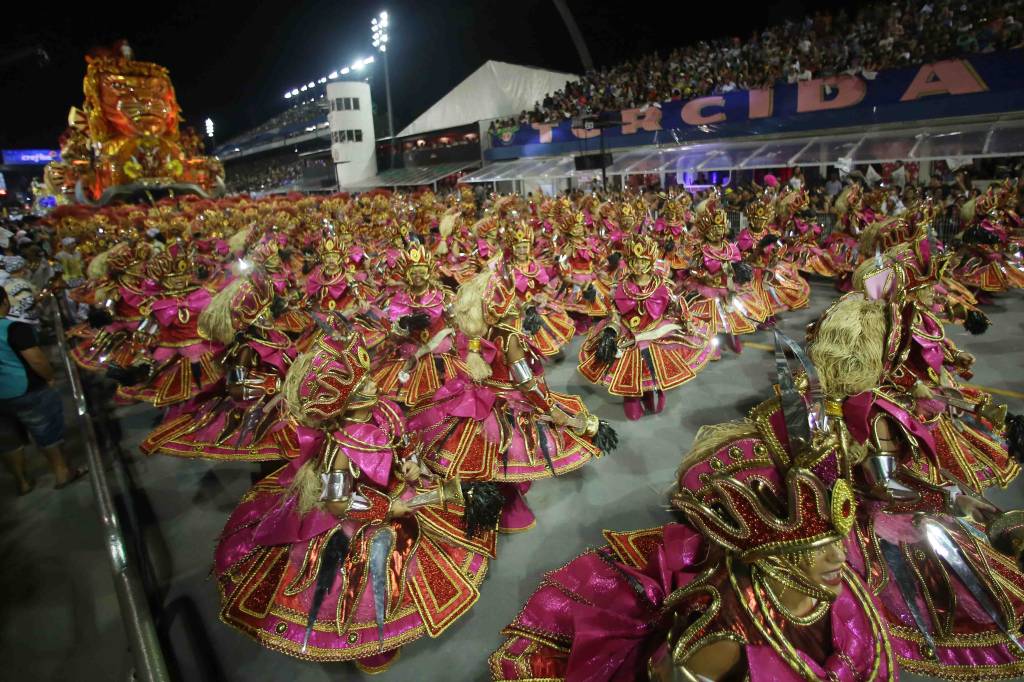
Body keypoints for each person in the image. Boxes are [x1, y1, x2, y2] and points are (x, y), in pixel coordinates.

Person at [0, 287, 86, 494]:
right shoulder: (13, 328)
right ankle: (62, 472)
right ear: (4, 301)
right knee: (46, 432)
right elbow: (36, 359)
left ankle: (23, 481)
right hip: (26, 390)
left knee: (8, 441)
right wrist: (49, 377)